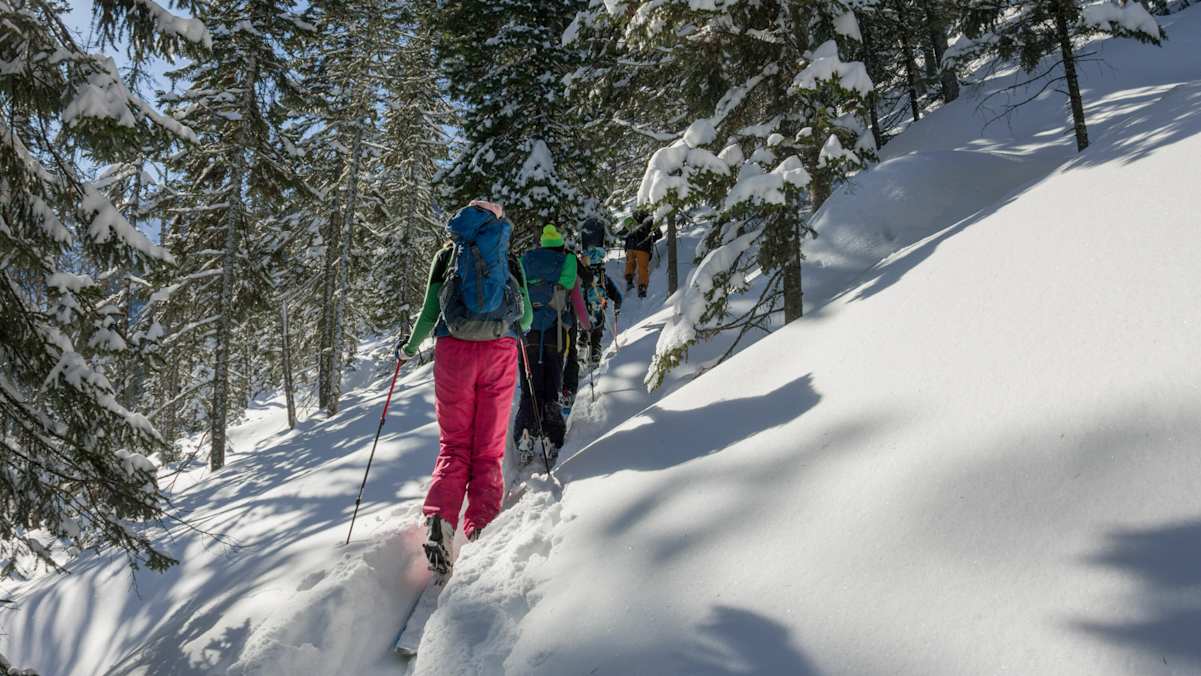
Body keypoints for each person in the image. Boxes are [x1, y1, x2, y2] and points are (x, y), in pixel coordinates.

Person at [395, 200, 531, 575]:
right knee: (487, 450)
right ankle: (482, 529)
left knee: (454, 445)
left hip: (453, 351)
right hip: (499, 352)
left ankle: (440, 518)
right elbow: (528, 317)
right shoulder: (507, 256)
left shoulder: (447, 255)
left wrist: (408, 349)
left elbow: (428, 312)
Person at [514, 225, 591, 468]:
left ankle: (525, 432)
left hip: (527, 334)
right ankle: (551, 437)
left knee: (529, 388)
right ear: (559, 244)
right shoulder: (567, 260)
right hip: (556, 333)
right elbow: (575, 295)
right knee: (551, 387)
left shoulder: (526, 260)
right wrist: (587, 325)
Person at [582, 245, 622, 368]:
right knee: (596, 334)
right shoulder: (603, 277)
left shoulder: (582, 274)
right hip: (599, 308)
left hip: (584, 308)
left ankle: (581, 350)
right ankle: (595, 356)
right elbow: (616, 294)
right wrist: (617, 304)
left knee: (584, 330)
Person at [623, 210, 660, 298]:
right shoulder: (650, 221)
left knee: (630, 263)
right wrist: (652, 238)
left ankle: (629, 280)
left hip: (630, 247)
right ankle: (642, 288)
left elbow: (624, 233)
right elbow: (659, 234)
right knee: (643, 267)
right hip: (643, 247)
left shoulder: (632, 219)